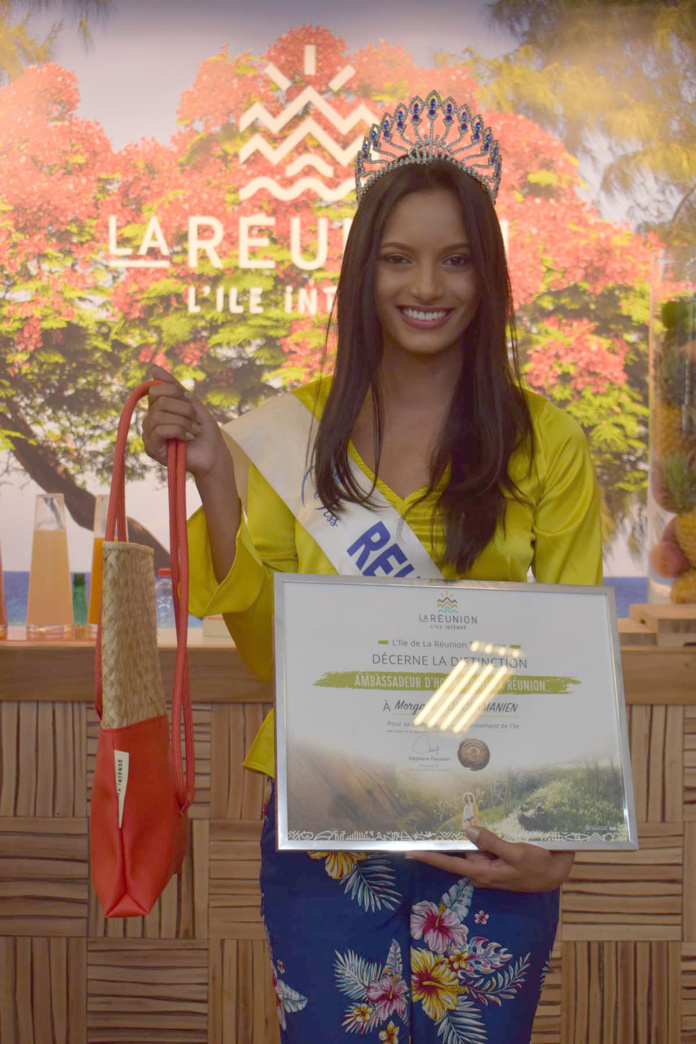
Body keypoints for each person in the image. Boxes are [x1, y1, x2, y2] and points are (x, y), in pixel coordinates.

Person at [143, 93, 602, 1042]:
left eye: (455, 257)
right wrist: (218, 479)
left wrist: (561, 840)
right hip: (328, 810)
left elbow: (577, 656)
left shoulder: (546, 443)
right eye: (397, 257)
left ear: (489, 277)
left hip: (494, 818)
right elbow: (277, 659)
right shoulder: (291, 434)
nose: (424, 283)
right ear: (363, 272)